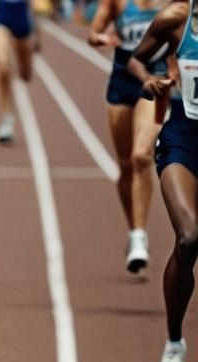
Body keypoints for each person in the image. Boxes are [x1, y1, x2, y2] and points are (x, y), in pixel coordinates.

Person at [130, 0, 198, 362]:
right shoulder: (176, 19)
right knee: (188, 238)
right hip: (184, 140)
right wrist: (148, 80)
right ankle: (174, 339)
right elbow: (136, 59)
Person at [90, 0, 168, 273]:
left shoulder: (172, 4)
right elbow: (94, 32)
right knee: (125, 165)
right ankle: (134, 228)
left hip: (155, 81)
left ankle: (139, 237)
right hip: (121, 82)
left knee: (141, 156)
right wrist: (101, 38)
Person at [0, 0, 34, 145]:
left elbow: (32, 7)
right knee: (3, 67)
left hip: (23, 26)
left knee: (26, 75)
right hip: (0, 23)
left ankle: (7, 118)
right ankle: (6, 119)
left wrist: (37, 35)